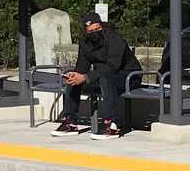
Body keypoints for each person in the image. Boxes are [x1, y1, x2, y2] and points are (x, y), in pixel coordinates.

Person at [55, 9, 141, 139]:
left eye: (97, 29)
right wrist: (76, 75)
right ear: (86, 32)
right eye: (90, 31)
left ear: (102, 26)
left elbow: (113, 67)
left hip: (129, 75)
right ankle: (70, 122)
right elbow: (82, 65)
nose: (94, 33)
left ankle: (110, 124)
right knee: (73, 80)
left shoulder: (115, 40)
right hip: (103, 76)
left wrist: (85, 77)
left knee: (106, 80)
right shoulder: (84, 42)